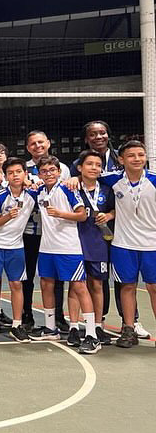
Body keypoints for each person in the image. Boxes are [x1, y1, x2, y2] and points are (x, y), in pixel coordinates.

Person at [27, 155, 100, 354]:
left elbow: (82, 215)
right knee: (46, 284)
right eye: (44, 171)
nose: (49, 174)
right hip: (47, 248)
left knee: (78, 287)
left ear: (59, 172)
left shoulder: (68, 189)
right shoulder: (40, 191)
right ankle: (51, 328)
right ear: (39, 174)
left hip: (69, 248)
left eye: (52, 170)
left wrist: (60, 213)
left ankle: (92, 335)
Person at [94, 140, 156, 348]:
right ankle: (128, 329)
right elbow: (88, 174)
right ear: (121, 160)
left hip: (152, 244)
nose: (137, 159)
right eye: (131, 156)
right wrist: (74, 179)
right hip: (124, 244)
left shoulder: (154, 180)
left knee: (154, 287)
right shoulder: (113, 180)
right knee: (127, 286)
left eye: (140, 155)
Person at [0, 158, 35, 342]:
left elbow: (46, 185)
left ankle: (17, 324)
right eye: (11, 173)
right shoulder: (0, 196)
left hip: (17, 247)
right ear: (5, 176)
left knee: (16, 285)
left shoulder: (31, 195)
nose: (15, 175)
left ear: (25, 174)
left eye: (18, 172)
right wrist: (7, 217)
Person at [22, 130, 70, 331]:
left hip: (55, 232)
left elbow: (68, 189)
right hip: (30, 231)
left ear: (48, 143)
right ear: (28, 147)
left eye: (41, 142)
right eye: (33, 143)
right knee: (27, 276)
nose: (37, 146)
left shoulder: (63, 168)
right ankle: (26, 315)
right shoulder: (23, 168)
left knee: (55, 277)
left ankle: (58, 317)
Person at [74, 150, 114, 346]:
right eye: (89, 164)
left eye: (98, 165)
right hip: (75, 244)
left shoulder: (107, 190)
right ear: (80, 167)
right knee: (76, 286)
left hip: (99, 245)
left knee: (97, 285)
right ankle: (74, 326)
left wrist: (109, 216)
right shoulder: (72, 188)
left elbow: (115, 209)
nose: (94, 168)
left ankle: (98, 325)